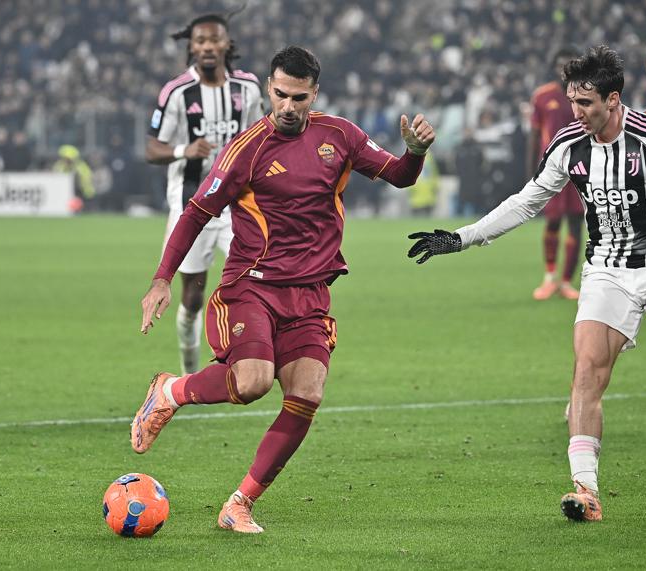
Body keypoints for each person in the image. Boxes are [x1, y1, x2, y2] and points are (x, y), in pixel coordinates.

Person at [407, 46, 646, 522]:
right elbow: (526, 201)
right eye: (572, 100)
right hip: (607, 269)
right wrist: (461, 238)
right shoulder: (568, 143)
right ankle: (586, 491)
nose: (575, 112)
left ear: (613, 100)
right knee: (587, 370)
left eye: (585, 103)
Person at [133, 46, 435, 534]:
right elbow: (197, 212)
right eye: (279, 95)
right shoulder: (246, 150)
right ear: (268, 90)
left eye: (298, 97)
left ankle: (239, 504)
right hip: (251, 287)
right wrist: (162, 278)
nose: (287, 106)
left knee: (307, 395)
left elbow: (399, 177)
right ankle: (170, 390)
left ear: (315, 94)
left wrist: (415, 152)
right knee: (252, 382)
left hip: (310, 294)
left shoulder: (340, 136)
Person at [146, 12, 264, 375]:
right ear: (192, 47)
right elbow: (152, 148)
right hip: (192, 207)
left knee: (258, 278)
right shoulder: (177, 91)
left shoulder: (248, 88)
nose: (208, 47)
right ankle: (189, 371)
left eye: (214, 40)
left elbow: (262, 138)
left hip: (238, 206)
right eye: (200, 41)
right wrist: (186, 150)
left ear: (227, 44)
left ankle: (253, 355)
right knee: (193, 297)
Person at [528, 46, 583, 301]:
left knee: (576, 222)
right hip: (551, 169)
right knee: (553, 221)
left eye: (570, 63)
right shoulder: (542, 96)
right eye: (560, 64)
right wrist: (531, 172)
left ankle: (566, 282)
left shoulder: (588, 94)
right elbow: (534, 135)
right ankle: (550, 277)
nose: (565, 69)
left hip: (582, 169)